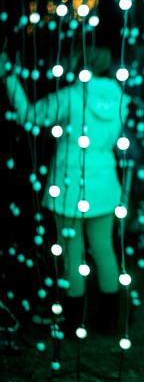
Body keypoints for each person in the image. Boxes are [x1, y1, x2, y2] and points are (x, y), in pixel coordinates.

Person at [1, 46, 130, 334]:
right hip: (105, 183)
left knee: (73, 254)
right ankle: (109, 320)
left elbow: (30, 116)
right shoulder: (120, 98)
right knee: (105, 250)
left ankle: (74, 320)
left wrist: (9, 77)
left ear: (81, 62)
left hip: (70, 184)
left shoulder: (71, 96)